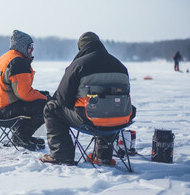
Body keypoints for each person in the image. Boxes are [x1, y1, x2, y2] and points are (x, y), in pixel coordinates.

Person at [40, 32, 136, 165]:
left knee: (51, 109)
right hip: (121, 119)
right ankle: (103, 156)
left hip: (88, 120)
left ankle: (61, 155)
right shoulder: (120, 66)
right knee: (110, 109)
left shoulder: (78, 65)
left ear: (81, 48)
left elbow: (62, 100)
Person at [0, 30, 50, 151]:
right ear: (22, 46)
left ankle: (24, 135)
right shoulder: (18, 62)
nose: (32, 49)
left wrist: (41, 94)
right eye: (30, 46)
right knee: (47, 106)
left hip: (1, 106)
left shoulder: (5, 58)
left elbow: (20, 91)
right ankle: (21, 136)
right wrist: (45, 98)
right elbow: (24, 94)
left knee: (41, 99)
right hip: (9, 109)